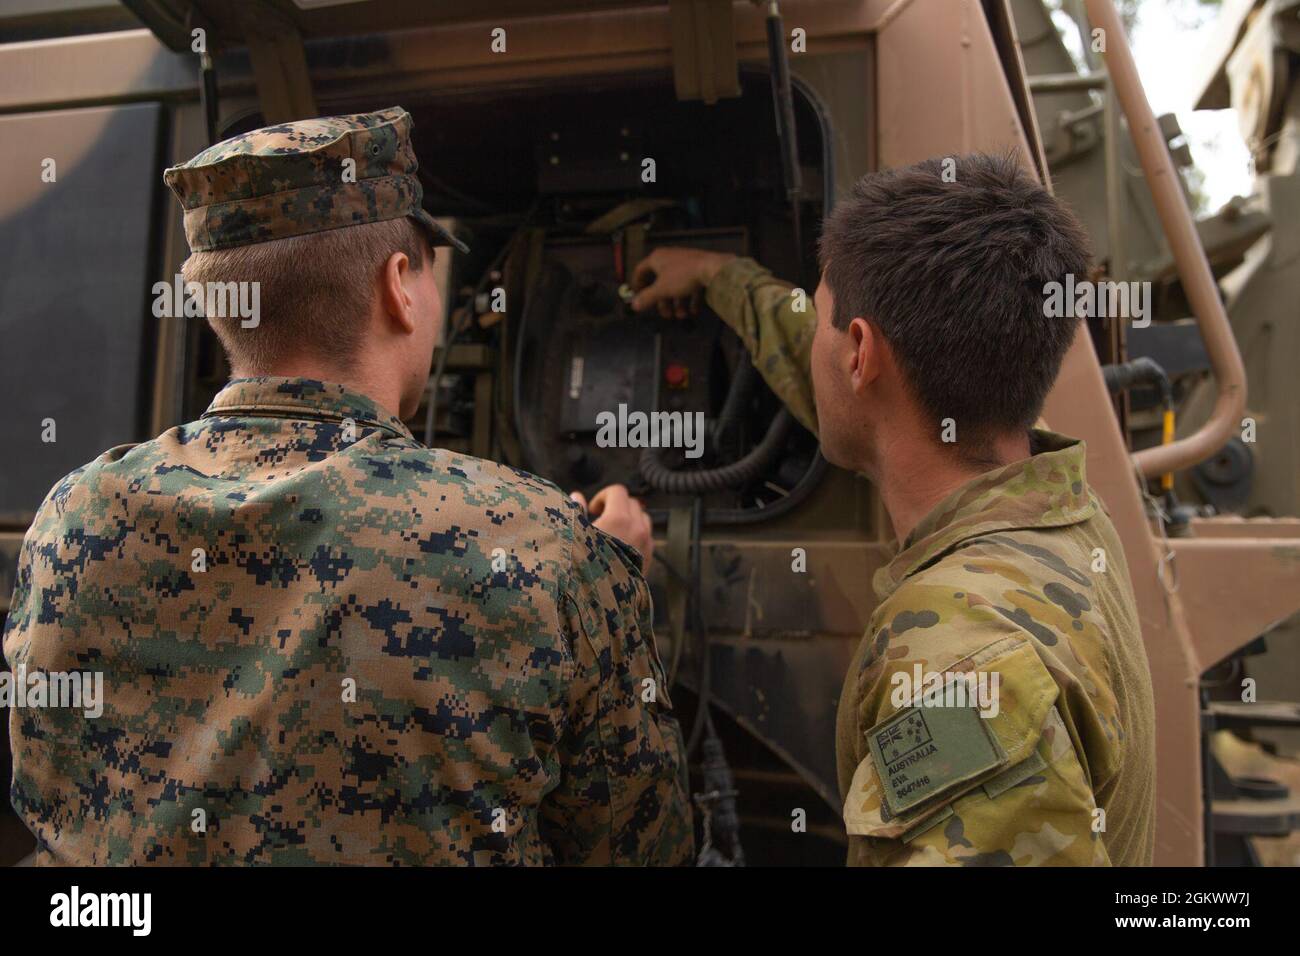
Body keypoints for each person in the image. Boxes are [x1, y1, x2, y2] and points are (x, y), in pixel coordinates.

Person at [3, 107, 690, 866]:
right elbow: (644, 849)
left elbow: (50, 812)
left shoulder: (75, 516)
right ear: (400, 285)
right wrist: (612, 576)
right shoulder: (544, 548)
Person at [630, 152, 1156, 866]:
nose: (814, 341)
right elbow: (875, 393)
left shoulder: (958, 662)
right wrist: (721, 277)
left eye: (821, 320)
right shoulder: (1063, 508)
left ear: (858, 354)